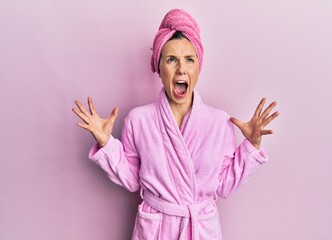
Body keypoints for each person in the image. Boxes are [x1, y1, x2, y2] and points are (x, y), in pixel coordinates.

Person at [72, 8, 279, 240]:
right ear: (158, 68)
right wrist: (107, 144)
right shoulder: (139, 120)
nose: (181, 69)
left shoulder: (219, 122)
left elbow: (224, 186)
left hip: (200, 229)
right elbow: (131, 181)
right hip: (156, 229)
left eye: (189, 60)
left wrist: (251, 145)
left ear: (198, 67)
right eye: (171, 60)